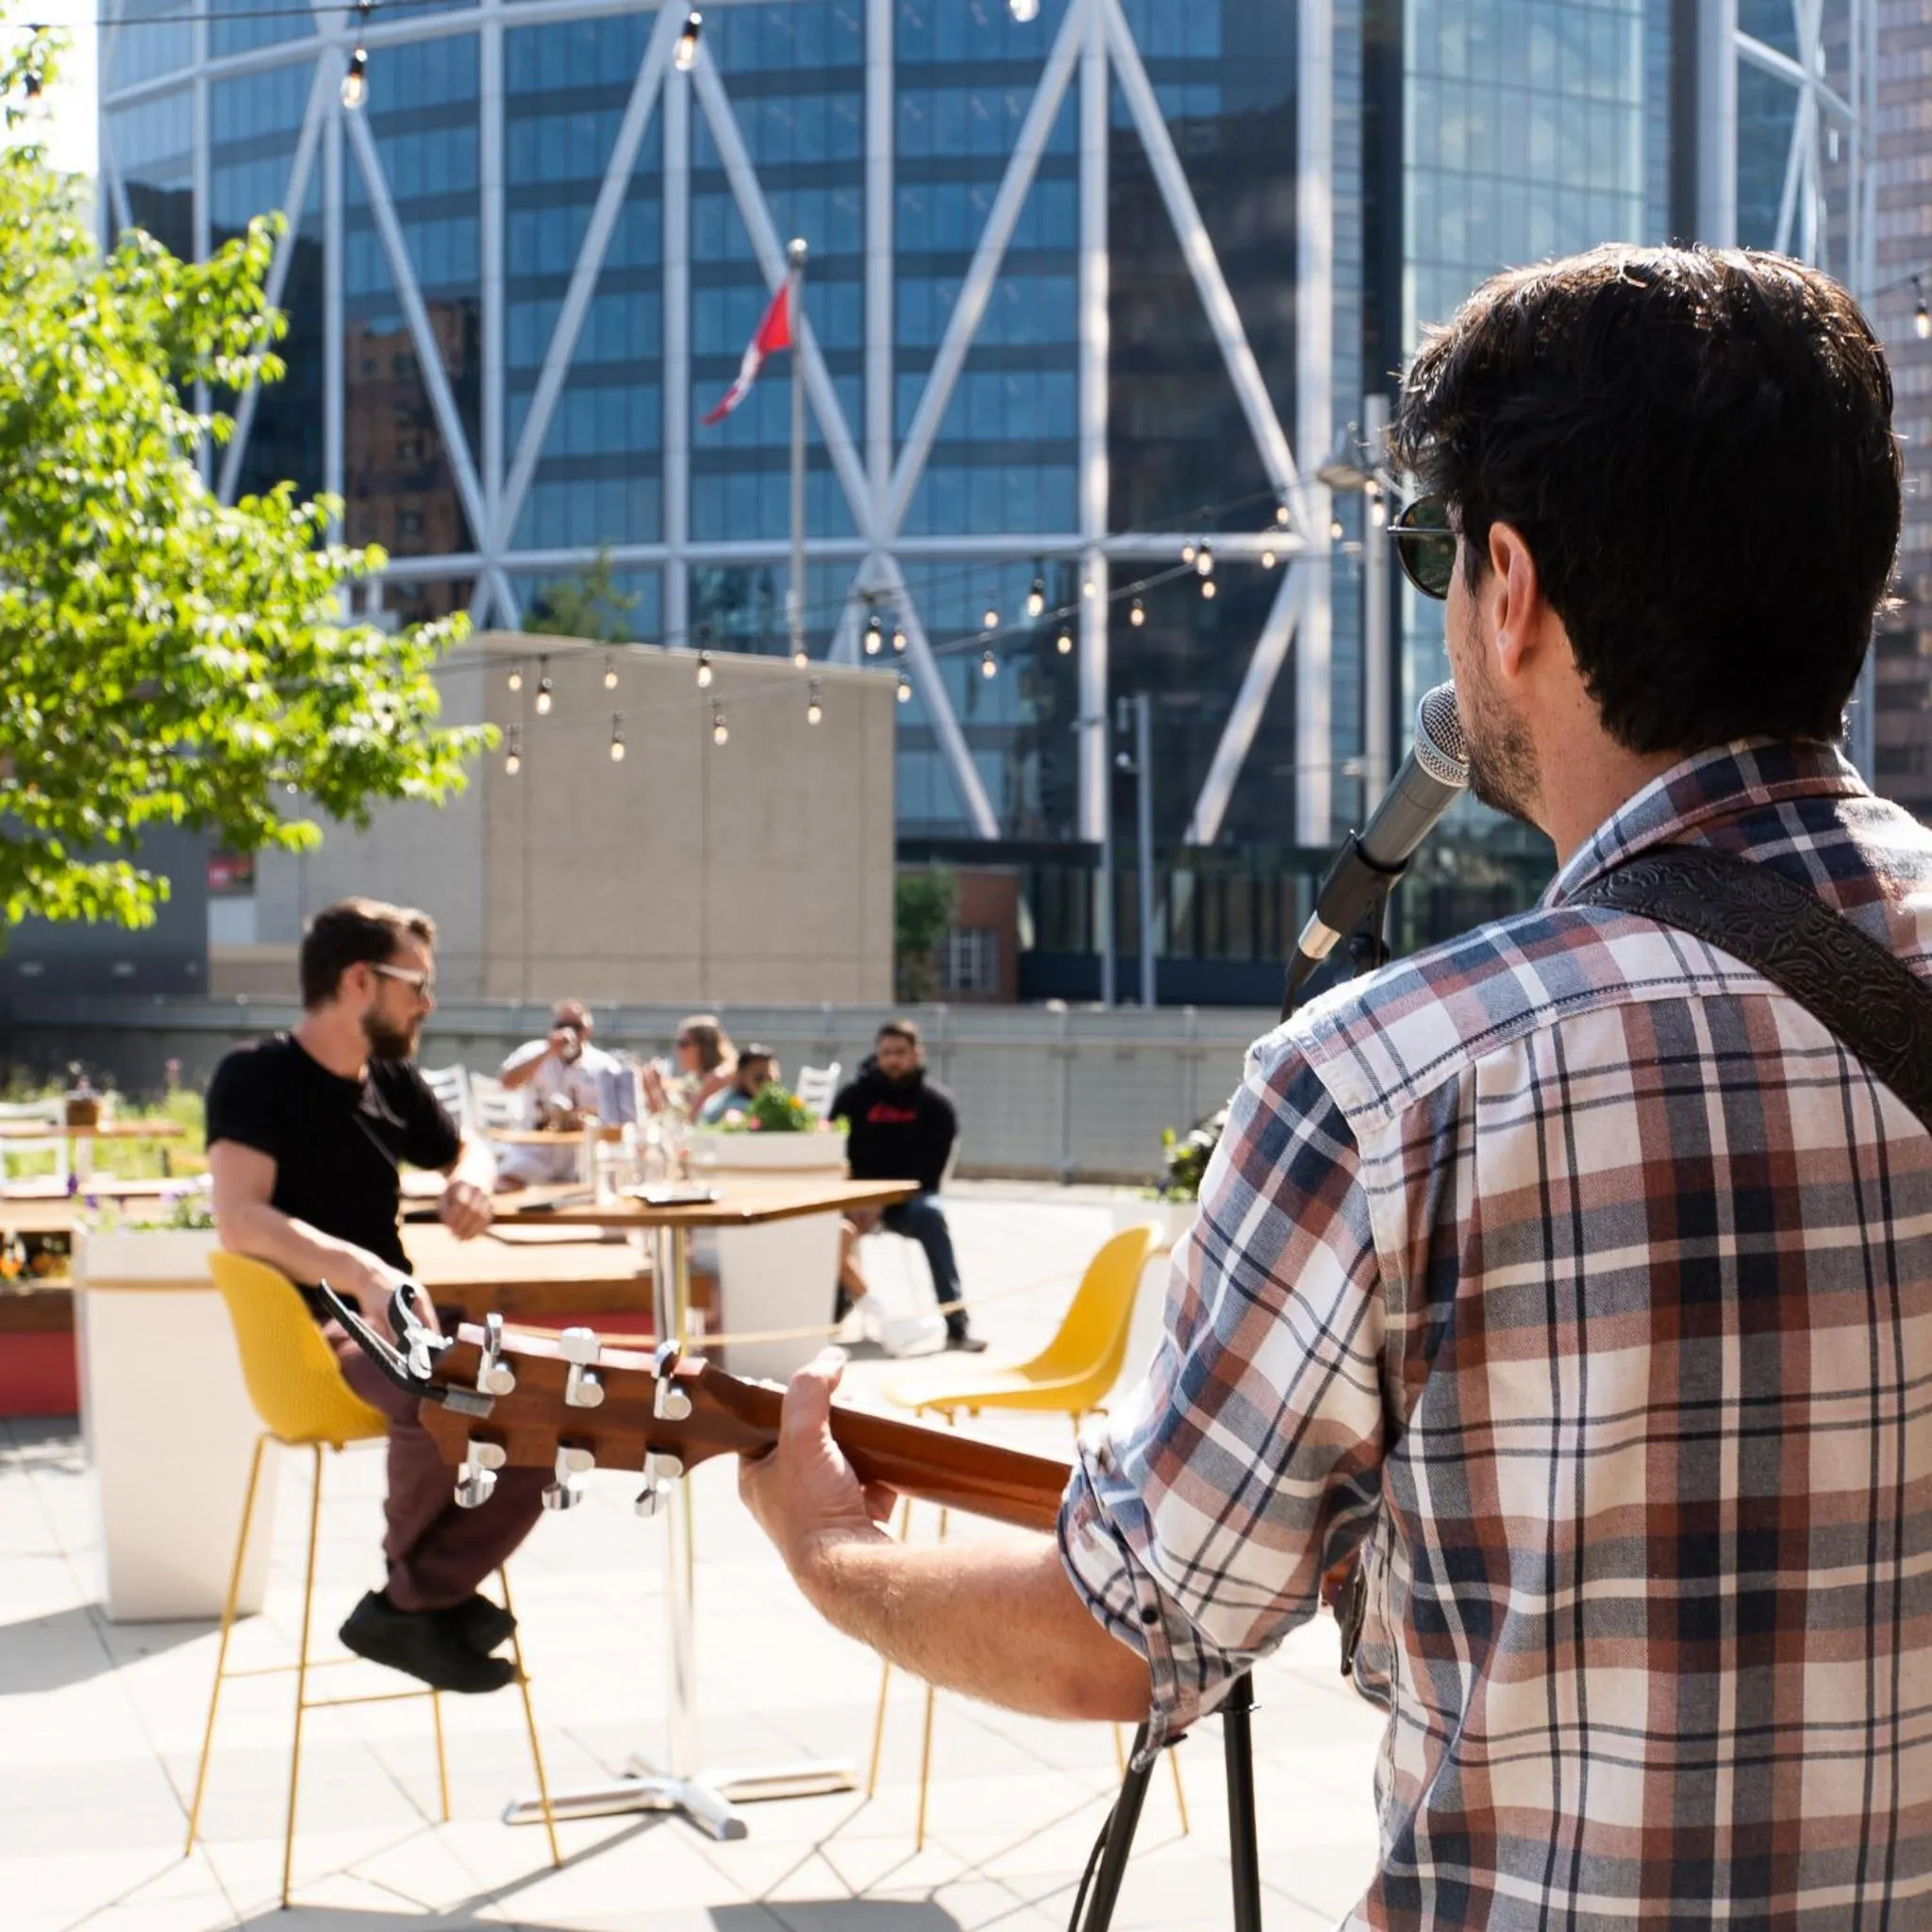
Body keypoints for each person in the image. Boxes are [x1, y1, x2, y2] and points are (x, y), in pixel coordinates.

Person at [739, 245, 1932, 1924]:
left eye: (1432, 558)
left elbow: (1120, 1641)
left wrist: (826, 1547)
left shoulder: (1392, 1077)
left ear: (1508, 589)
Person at [206, 899, 545, 1695]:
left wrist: (472, 1177)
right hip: (315, 1337)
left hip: (399, 1326)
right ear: (360, 980)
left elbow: (470, 1145)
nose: (429, 1003)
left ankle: (416, 1600)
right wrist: (359, 1269)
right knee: (437, 1391)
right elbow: (239, 1217)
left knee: (545, 1401)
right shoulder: (255, 1077)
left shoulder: (389, 1080)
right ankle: (419, 1601)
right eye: (416, 985)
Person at [832, 1020, 984, 1352]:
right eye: (886, 1052)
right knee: (821, 1224)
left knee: (932, 1216)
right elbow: (832, 1149)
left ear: (916, 1054)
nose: (893, 1060)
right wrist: (856, 1195)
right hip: (853, 1199)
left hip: (907, 1202)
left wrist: (882, 1202)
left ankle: (956, 1324)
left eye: (900, 1052)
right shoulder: (852, 1097)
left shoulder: (937, 1105)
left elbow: (929, 1172)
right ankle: (830, 1313)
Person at [495, 998, 632, 1186]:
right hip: (534, 1153)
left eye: (576, 1026)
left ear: (588, 1030)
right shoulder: (534, 1052)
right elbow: (506, 1082)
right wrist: (548, 1052)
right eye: (562, 1025)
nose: (569, 1033)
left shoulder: (603, 1065)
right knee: (502, 1183)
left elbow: (619, 1118)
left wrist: (587, 1116)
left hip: (579, 1156)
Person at [641, 1013, 735, 1122]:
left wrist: (656, 1088)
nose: (678, 1050)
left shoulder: (719, 1077)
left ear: (704, 1046)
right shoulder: (694, 1079)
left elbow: (688, 1121)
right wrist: (653, 1086)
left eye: (684, 1044)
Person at [696, 1044, 777, 1126]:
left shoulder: (776, 1103)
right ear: (740, 1076)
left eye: (771, 1079)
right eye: (759, 1079)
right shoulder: (731, 1104)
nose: (767, 1085)